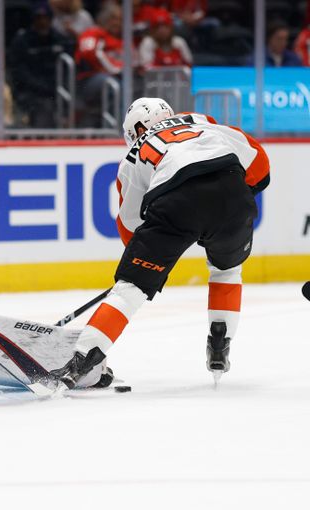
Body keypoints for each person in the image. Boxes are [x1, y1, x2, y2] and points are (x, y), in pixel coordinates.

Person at [51, 97, 270, 390]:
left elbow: (130, 225)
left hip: (176, 201)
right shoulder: (201, 120)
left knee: (130, 290)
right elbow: (259, 160)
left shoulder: (133, 153)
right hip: (233, 191)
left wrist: (144, 266)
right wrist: (231, 200)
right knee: (227, 271)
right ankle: (219, 348)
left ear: (137, 128)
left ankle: (77, 364)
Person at [8, 3, 70, 128]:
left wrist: (54, 86)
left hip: (55, 89)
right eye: (38, 18)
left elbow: (66, 69)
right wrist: (41, 86)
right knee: (44, 106)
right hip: (28, 91)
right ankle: (44, 139)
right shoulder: (22, 41)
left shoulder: (59, 39)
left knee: (71, 101)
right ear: (33, 19)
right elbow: (19, 71)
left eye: (45, 17)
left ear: (51, 19)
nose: (42, 21)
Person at [75, 3, 123, 126]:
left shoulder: (121, 38)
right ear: (104, 19)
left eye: (119, 19)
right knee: (115, 85)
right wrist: (115, 70)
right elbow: (89, 53)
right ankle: (117, 127)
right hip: (88, 79)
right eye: (113, 18)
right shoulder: (93, 32)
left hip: (113, 76)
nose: (116, 23)